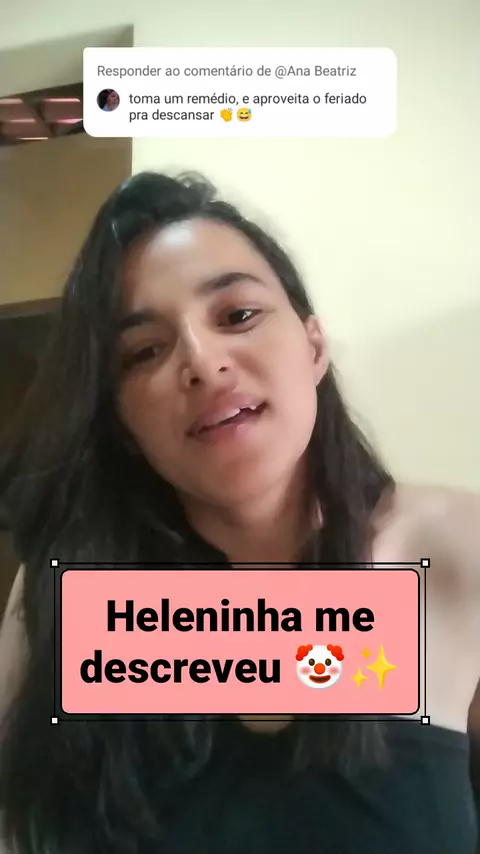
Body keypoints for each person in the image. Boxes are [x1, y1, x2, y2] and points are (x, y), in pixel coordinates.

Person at [0, 171, 478, 854]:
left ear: (313, 345)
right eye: (144, 352)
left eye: (237, 316)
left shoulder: (456, 550)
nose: (202, 362)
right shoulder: (59, 594)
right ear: (122, 424)